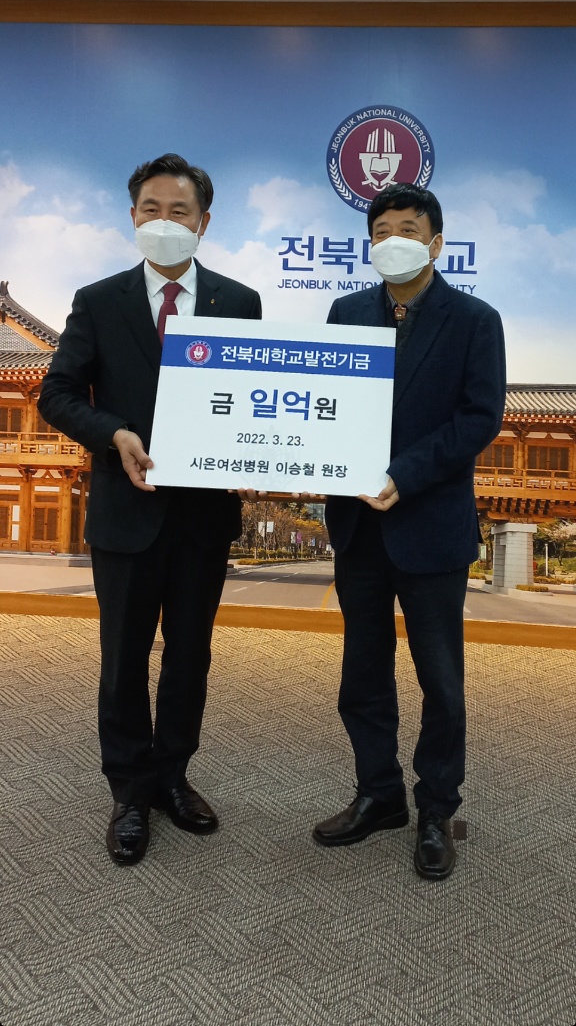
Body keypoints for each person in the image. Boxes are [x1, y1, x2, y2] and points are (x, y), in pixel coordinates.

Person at [39, 153, 262, 866]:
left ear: (204, 222)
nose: (164, 221)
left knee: (190, 657)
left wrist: (258, 458)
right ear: (133, 216)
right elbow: (57, 393)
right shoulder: (98, 301)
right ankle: (130, 791)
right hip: (125, 514)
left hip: (203, 520)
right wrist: (113, 434)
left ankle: (173, 776)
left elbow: (251, 403)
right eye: (151, 209)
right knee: (124, 658)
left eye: (179, 211)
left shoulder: (240, 301)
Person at [313, 184, 505, 880]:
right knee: (362, 674)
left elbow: (479, 418)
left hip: (430, 524)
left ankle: (436, 809)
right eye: (381, 231)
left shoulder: (475, 320)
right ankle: (379, 795)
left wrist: (406, 473)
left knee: (440, 681)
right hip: (359, 528)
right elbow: (324, 407)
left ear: (436, 243)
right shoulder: (345, 314)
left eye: (408, 230)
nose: (393, 240)